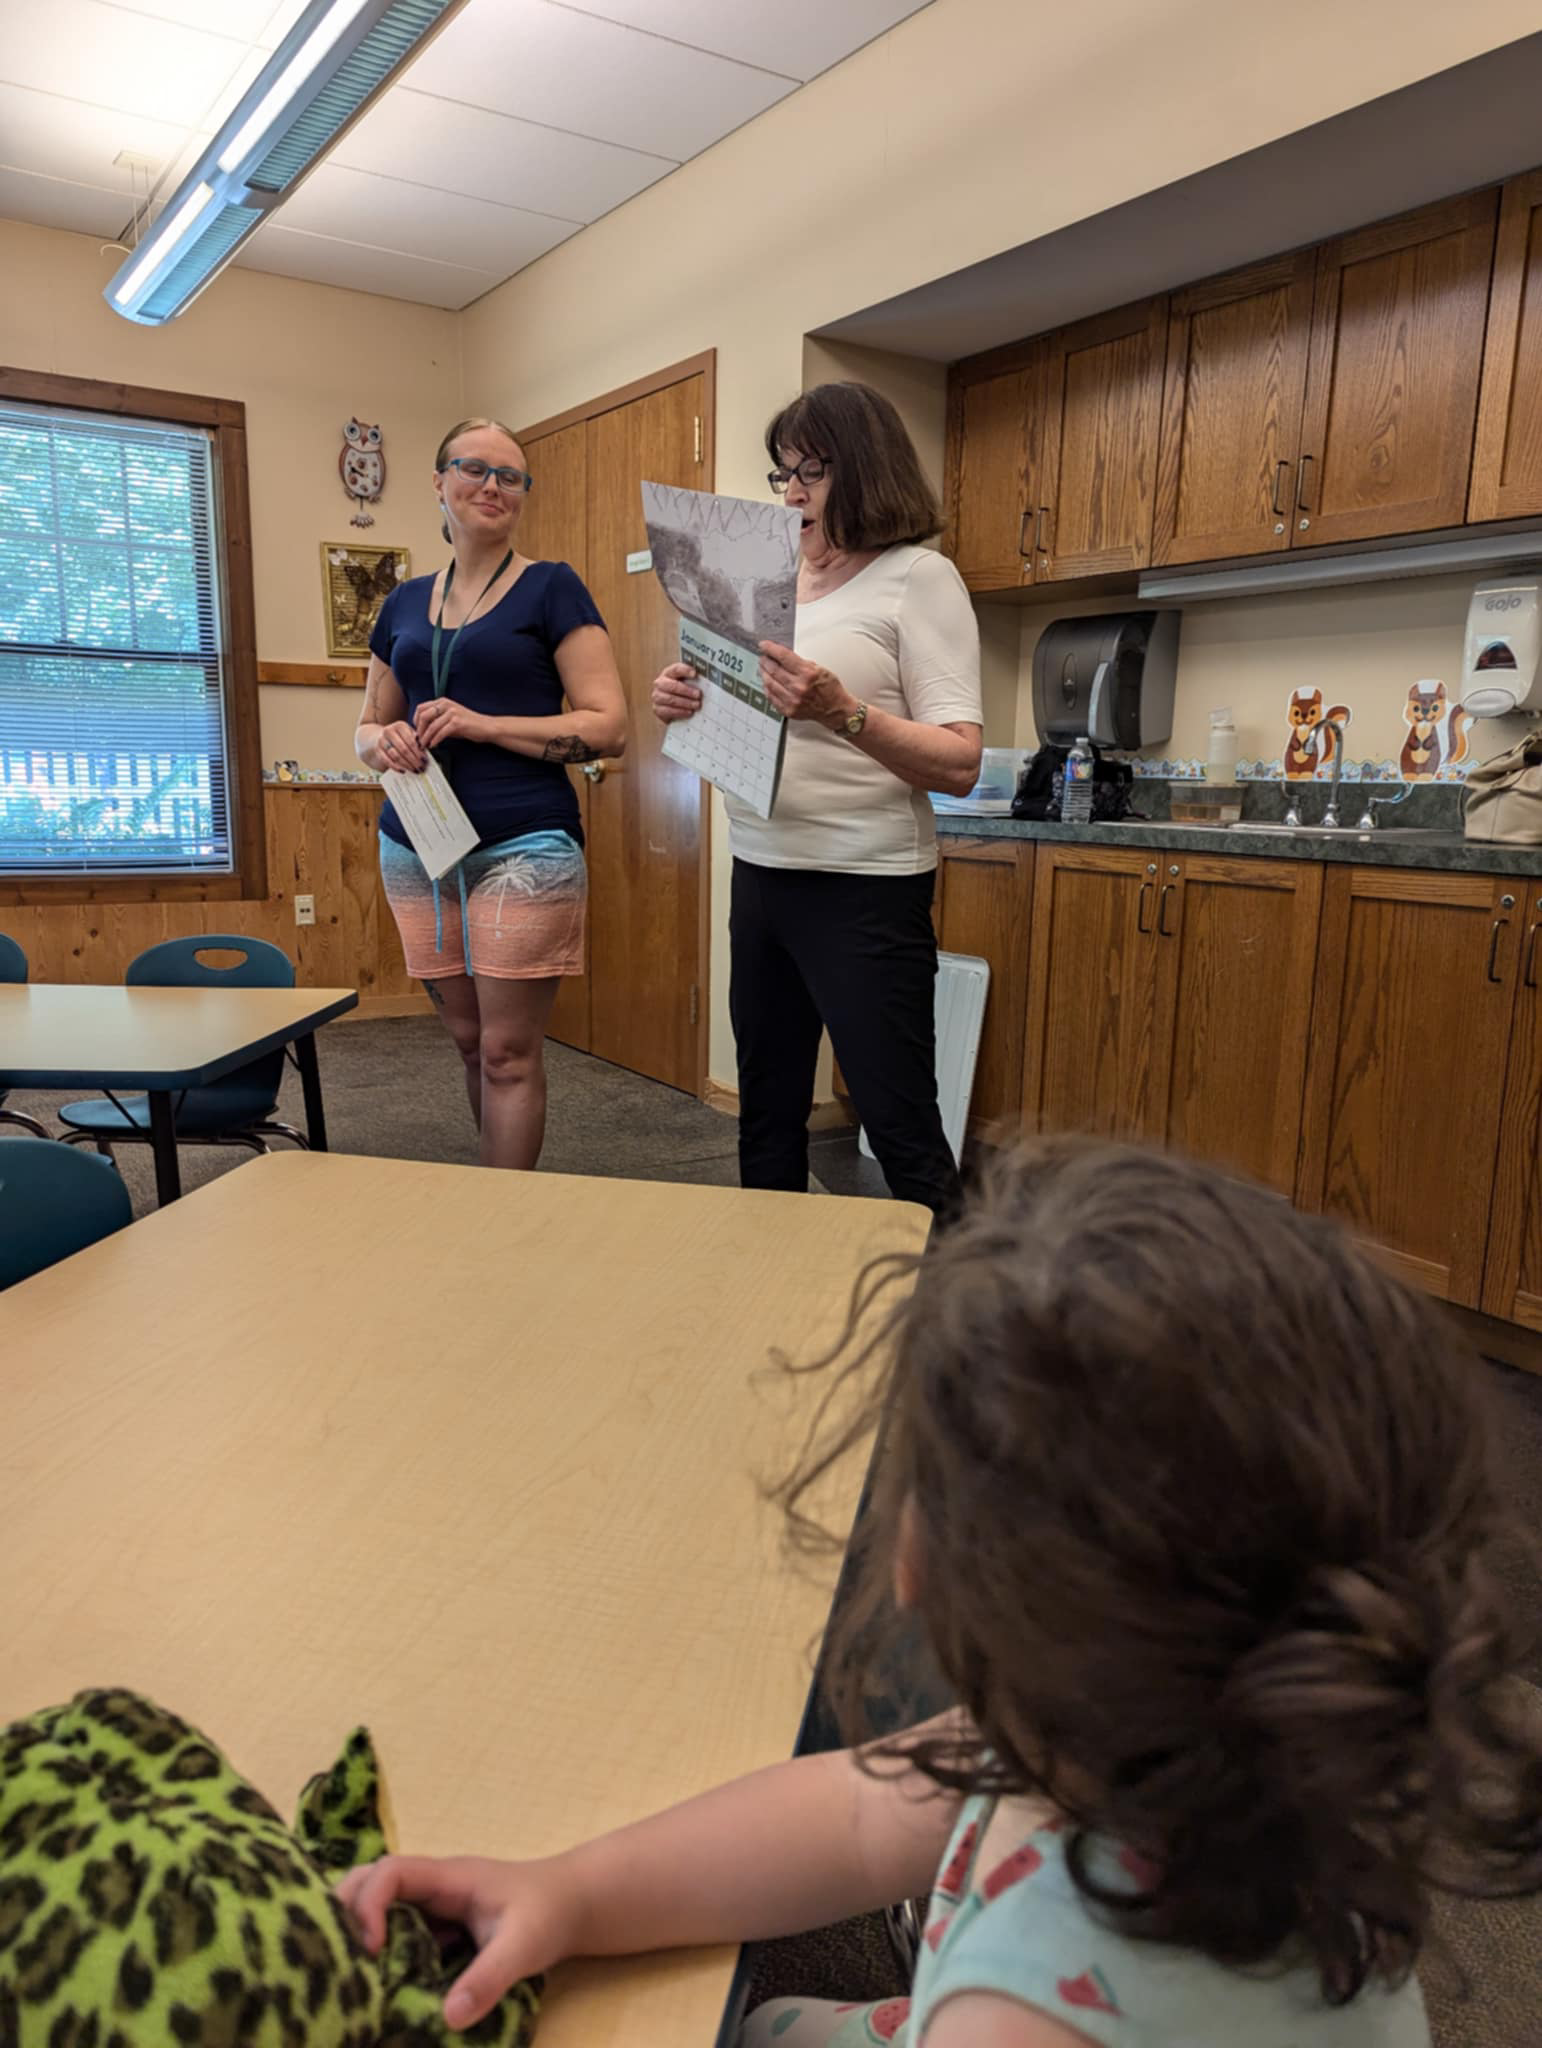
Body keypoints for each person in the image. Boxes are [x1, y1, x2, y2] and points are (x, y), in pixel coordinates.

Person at [340, 1138, 1542, 2046]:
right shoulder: (1196, 1734)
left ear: (922, 1566)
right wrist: (574, 1890)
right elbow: (859, 1816)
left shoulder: (1014, 2021)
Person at [652, 382, 983, 1219]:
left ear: (865, 471)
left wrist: (844, 711)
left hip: (866, 886)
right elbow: (746, 716)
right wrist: (687, 701)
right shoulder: (767, 581)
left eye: (812, 471)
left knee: (898, 1124)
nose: (791, 492)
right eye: (783, 472)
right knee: (766, 1112)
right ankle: (776, 1281)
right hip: (760, 872)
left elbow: (960, 763)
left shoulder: (919, 579)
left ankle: (959, 1296)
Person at [357, 418, 625, 1171]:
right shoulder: (403, 602)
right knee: (471, 1042)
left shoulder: (552, 588)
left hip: (524, 845)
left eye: (511, 476)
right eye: (474, 469)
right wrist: (382, 743)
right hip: (416, 843)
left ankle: (503, 1218)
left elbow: (609, 728)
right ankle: (491, 1196)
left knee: (508, 1052)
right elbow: (366, 727)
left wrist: (484, 725)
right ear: (439, 483)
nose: (492, 486)